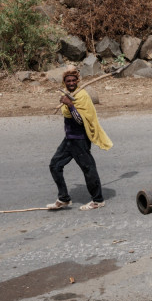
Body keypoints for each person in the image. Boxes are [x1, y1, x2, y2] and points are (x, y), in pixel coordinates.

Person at [47, 67, 113, 211]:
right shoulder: (67, 94)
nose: (71, 83)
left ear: (77, 81)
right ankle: (64, 198)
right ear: (64, 82)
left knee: (88, 169)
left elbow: (80, 121)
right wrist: (66, 101)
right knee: (55, 165)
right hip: (69, 139)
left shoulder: (81, 95)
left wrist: (70, 105)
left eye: (73, 80)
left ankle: (98, 200)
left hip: (80, 140)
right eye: (68, 80)